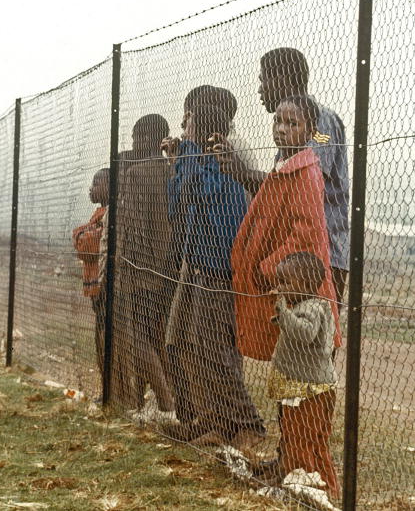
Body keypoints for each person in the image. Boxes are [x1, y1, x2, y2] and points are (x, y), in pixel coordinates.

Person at [161, 102, 266, 450]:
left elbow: (199, 192)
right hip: (201, 261)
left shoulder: (225, 155)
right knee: (201, 347)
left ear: (201, 123)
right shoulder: (199, 155)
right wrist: (179, 161)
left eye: (187, 117)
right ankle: (221, 420)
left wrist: (186, 156)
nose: (181, 123)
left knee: (218, 349)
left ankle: (248, 423)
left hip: (221, 266)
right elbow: (175, 203)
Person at [211, 48, 350, 299]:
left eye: (263, 79)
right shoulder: (288, 130)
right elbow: (280, 194)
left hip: (319, 257)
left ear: (284, 78)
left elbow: (301, 186)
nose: (260, 89)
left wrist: (243, 172)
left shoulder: (320, 123)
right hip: (293, 255)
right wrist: (238, 171)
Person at [230, 94, 341, 363]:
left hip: (298, 286)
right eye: (278, 121)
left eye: (292, 124)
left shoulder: (305, 174)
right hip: (289, 283)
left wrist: (269, 268)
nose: (281, 129)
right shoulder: (285, 168)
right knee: (288, 367)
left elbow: (308, 234)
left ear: (311, 131)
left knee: (303, 371)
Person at [262, 251, 339, 499]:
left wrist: (283, 312)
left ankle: (315, 485)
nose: (280, 287)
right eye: (279, 281)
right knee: (294, 435)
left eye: (286, 282)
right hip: (302, 389)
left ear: (306, 283)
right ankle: (296, 479)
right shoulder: (304, 306)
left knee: (305, 438)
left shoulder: (313, 308)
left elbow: (305, 334)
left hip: (310, 391)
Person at [116, 114, 177, 420]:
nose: (131, 144)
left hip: (140, 268)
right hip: (169, 267)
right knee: (156, 334)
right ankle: (148, 400)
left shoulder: (136, 174)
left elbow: (131, 226)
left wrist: (124, 263)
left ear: (145, 140)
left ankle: (165, 402)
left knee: (136, 335)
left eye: (135, 138)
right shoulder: (171, 169)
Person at [71, 168, 110, 375]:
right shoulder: (99, 213)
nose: (91, 189)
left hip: (101, 281)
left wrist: (80, 235)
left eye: (96, 183)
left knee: (103, 334)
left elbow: (86, 243)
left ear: (109, 186)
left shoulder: (107, 214)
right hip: (94, 281)